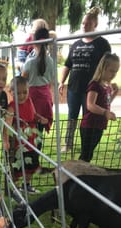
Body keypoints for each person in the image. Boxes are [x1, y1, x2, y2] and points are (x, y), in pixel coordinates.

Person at [58, 7, 111, 153]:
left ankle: (85, 145)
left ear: (95, 25)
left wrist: (106, 83)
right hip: (74, 88)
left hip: (92, 89)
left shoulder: (102, 43)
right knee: (71, 116)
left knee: (88, 118)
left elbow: (107, 66)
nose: (84, 26)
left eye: (88, 23)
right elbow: (68, 65)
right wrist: (62, 82)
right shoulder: (75, 44)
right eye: (83, 23)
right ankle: (68, 144)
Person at [4, 76, 48, 194]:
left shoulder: (29, 101)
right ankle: (13, 188)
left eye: (25, 92)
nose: (22, 96)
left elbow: (33, 114)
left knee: (31, 164)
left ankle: (26, 185)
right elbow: (6, 126)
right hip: (19, 144)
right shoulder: (12, 107)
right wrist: (6, 141)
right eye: (18, 93)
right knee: (17, 167)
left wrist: (40, 118)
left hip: (31, 141)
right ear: (10, 91)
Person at [79, 53, 119, 162]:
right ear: (103, 68)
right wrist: (106, 113)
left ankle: (81, 175)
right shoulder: (95, 85)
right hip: (90, 125)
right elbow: (90, 105)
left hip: (99, 125)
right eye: (111, 71)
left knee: (88, 155)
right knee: (85, 156)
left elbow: (106, 102)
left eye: (116, 71)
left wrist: (115, 93)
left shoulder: (106, 86)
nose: (114, 74)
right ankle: (78, 176)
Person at [22, 27, 54, 135]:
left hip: (32, 98)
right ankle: (37, 150)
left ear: (34, 42)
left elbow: (23, 80)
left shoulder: (30, 62)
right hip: (45, 97)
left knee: (30, 127)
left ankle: (30, 150)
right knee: (39, 130)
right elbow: (51, 80)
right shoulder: (51, 61)